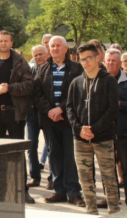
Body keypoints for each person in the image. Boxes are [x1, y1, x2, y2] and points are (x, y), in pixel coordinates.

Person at [0, 30, 35, 204]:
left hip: (14, 112)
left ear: (11, 43)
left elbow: (29, 85)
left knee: (18, 152)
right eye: (0, 41)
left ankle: (22, 190)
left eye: (6, 41)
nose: (3, 44)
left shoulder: (20, 61)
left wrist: (10, 88)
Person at [67, 43, 120, 215]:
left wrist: (95, 129)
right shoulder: (76, 82)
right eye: (82, 59)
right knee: (85, 177)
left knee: (109, 177)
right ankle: (91, 209)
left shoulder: (109, 81)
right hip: (81, 138)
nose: (85, 62)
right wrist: (79, 128)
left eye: (88, 58)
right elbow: (69, 108)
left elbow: (112, 109)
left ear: (98, 57)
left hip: (103, 137)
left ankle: (114, 210)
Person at [33, 36, 85, 206]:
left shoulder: (77, 69)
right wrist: (49, 110)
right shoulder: (42, 69)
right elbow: (37, 94)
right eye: (51, 46)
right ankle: (59, 191)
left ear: (65, 49)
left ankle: (73, 192)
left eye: (57, 46)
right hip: (49, 120)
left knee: (70, 156)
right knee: (54, 156)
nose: (54, 48)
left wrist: (61, 108)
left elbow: (79, 92)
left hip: (69, 119)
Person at [105, 48, 127, 208]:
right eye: (108, 60)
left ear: (120, 63)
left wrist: (117, 104)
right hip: (105, 132)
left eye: (114, 60)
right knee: (108, 169)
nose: (111, 63)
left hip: (125, 131)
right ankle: (111, 199)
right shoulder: (100, 79)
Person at [26, 45, 48, 188]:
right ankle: (35, 177)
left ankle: (53, 178)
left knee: (52, 147)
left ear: (47, 54)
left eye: (41, 54)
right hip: (32, 114)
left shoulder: (52, 70)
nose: (38, 57)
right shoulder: (30, 71)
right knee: (31, 146)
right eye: (35, 55)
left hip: (47, 113)